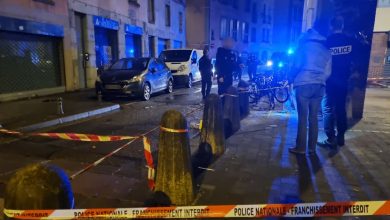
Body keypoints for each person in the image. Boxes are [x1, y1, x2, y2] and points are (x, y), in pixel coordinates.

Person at [288, 20, 332, 155]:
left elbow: (296, 65)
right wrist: (320, 80)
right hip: (319, 86)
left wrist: (289, 78)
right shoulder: (326, 50)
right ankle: (312, 149)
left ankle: (300, 147)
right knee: (314, 117)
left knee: (302, 118)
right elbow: (328, 71)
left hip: (303, 84)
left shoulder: (303, 47)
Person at [318, 16, 356, 148]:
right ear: (342, 25)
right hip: (343, 81)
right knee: (341, 109)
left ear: (331, 26)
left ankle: (330, 138)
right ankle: (341, 136)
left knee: (327, 108)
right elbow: (355, 61)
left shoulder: (327, 42)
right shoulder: (349, 41)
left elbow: (322, 61)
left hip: (329, 81)